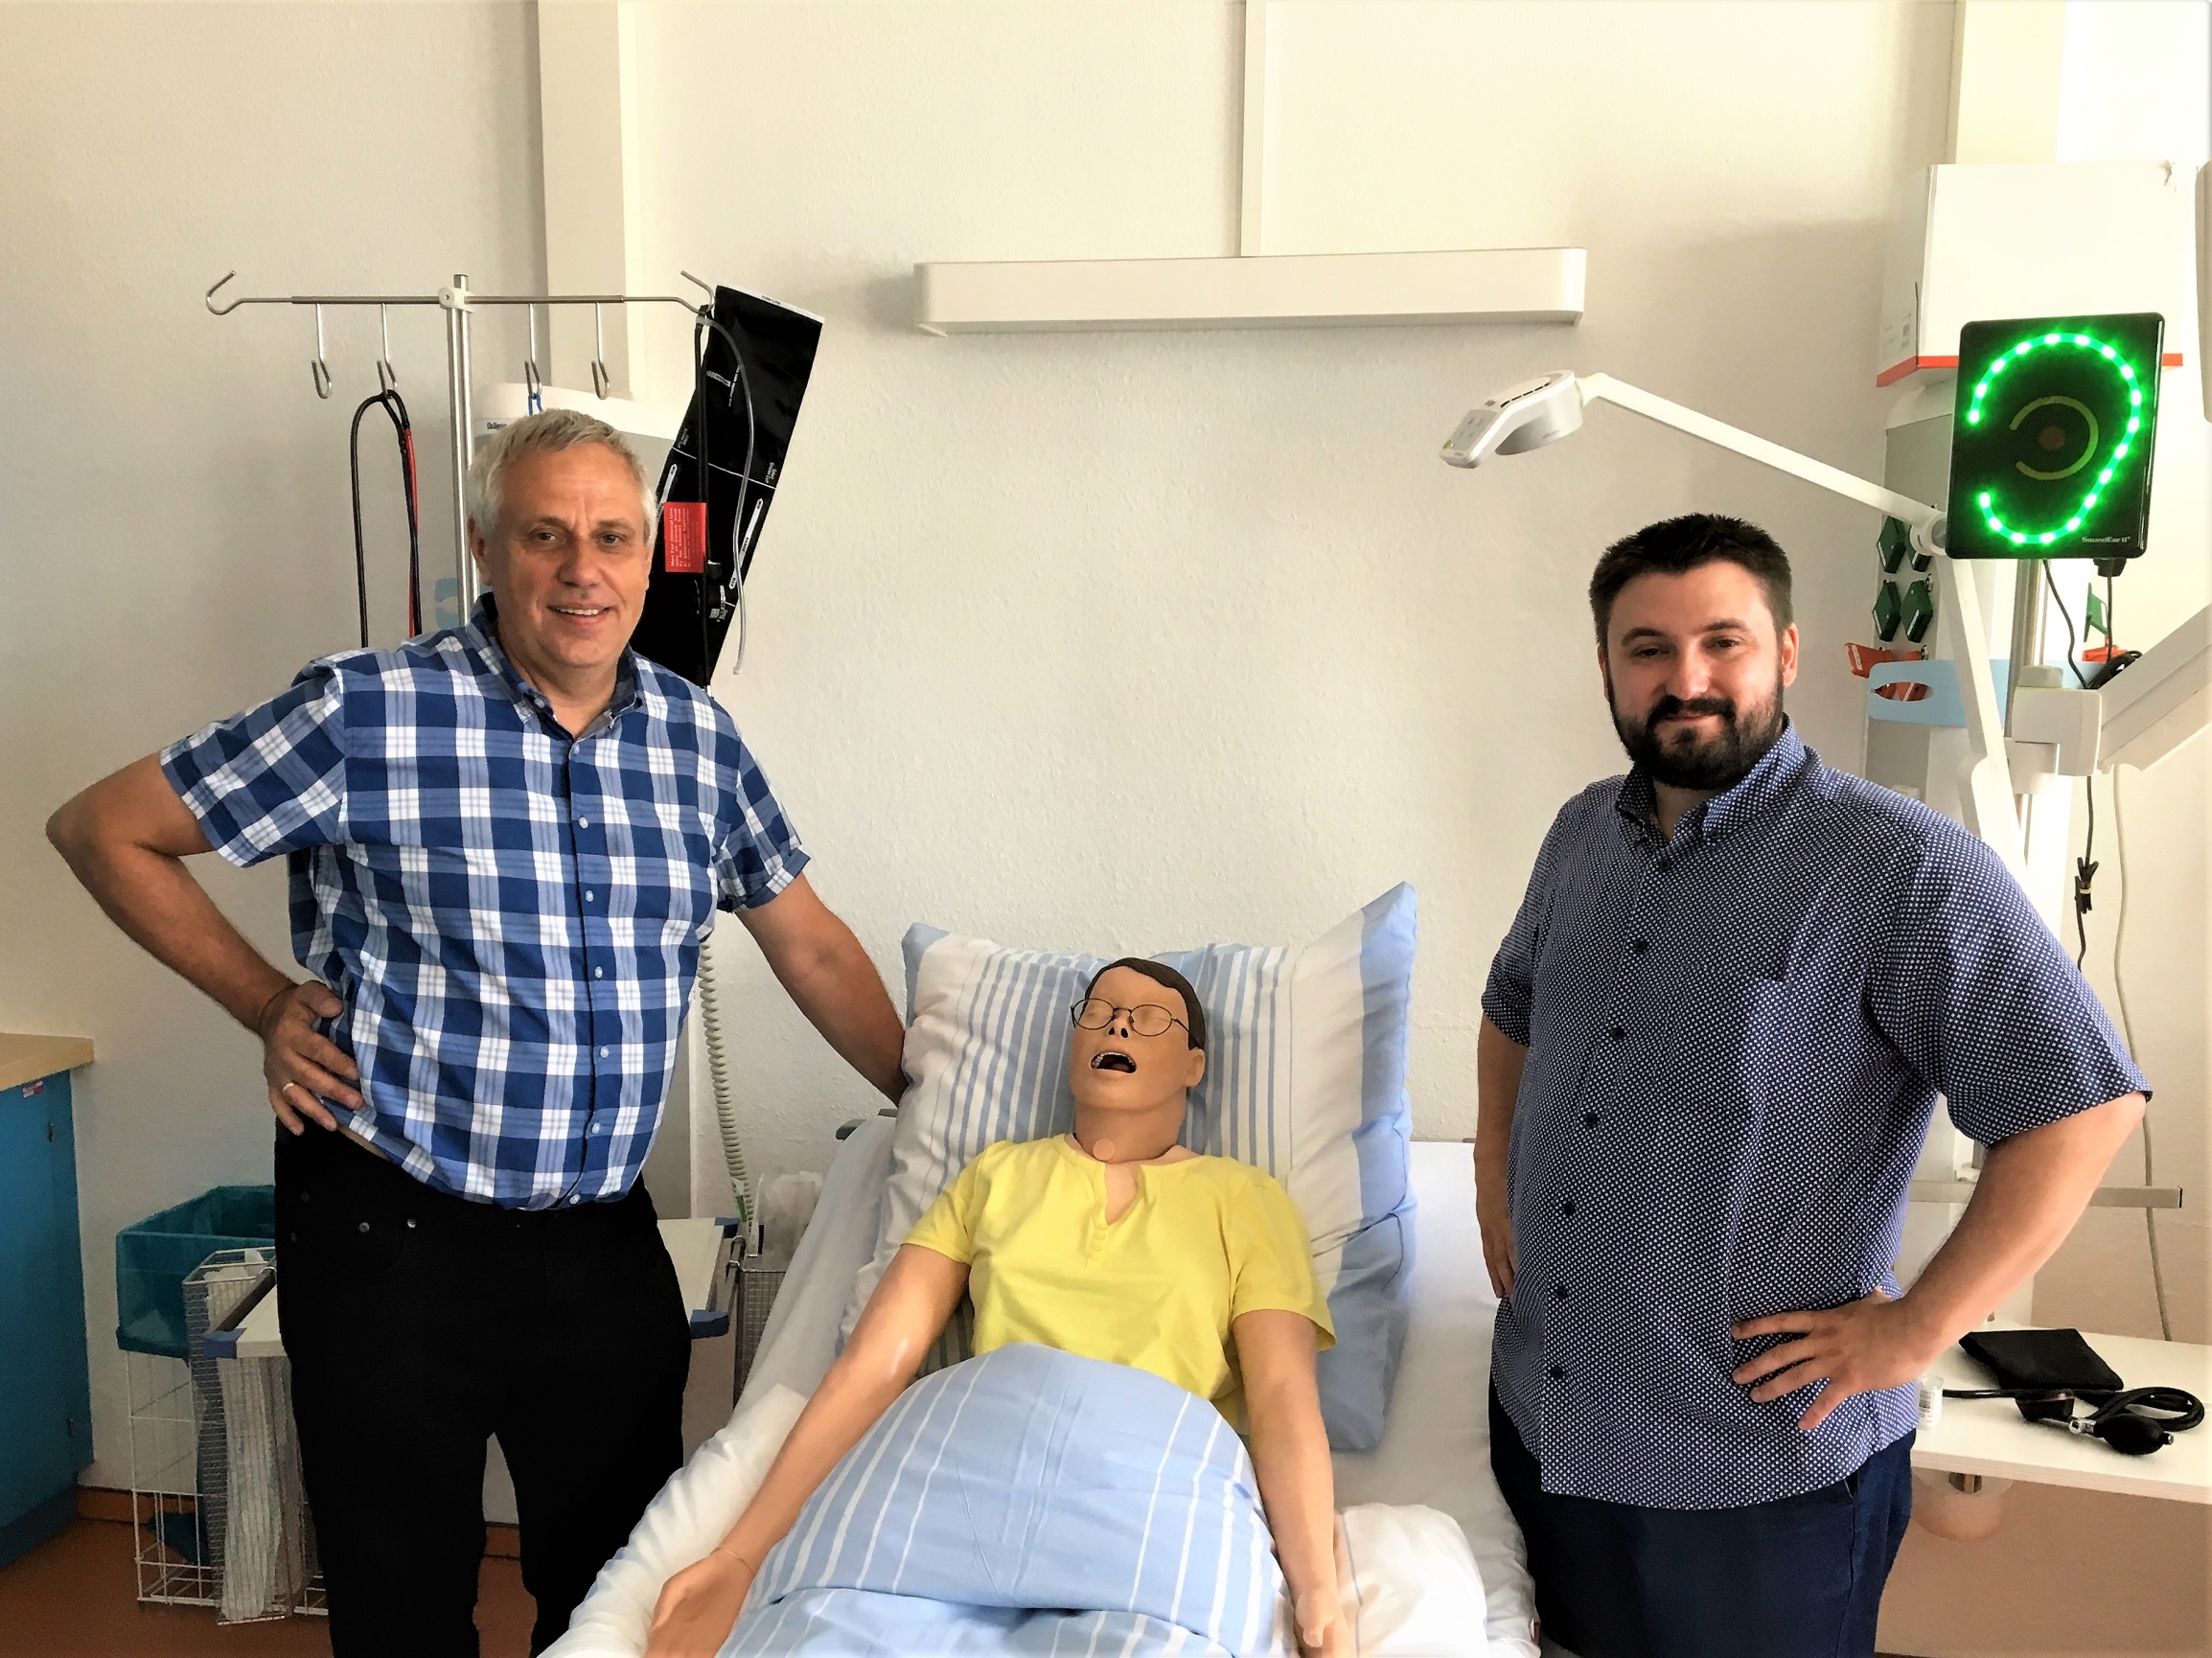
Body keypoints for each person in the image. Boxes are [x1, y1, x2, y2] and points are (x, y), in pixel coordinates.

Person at [46, 409, 907, 1657]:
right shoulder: (368, 712)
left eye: (611, 536)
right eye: (544, 534)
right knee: (399, 1603)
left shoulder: (696, 742)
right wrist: (264, 1000)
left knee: (615, 1594)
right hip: (392, 1229)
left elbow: (811, 945)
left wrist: (929, 1094)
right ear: (486, 549)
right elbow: (103, 827)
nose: (582, 569)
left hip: (600, 1244)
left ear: (649, 555)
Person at [1474, 514, 2148, 1658]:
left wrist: (1918, 1328)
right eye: (1647, 648)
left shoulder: (1898, 864)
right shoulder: (1580, 832)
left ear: (1785, 652)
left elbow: (2081, 1104)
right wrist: (1493, 1171)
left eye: (1721, 642)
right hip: (1549, 1421)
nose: (1685, 678)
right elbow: (1512, 1004)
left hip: (1754, 1472)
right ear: (1606, 667)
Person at [643, 958, 1348, 1658]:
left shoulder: (1246, 1200)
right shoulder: (997, 1175)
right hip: (964, 1455)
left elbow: (1283, 1398)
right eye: (1100, 1013)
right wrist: (740, 1556)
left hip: (1149, 1481)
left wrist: (1317, 1588)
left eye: (1150, 1018)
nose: (1119, 1027)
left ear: (1194, 1066)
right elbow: (872, 1369)